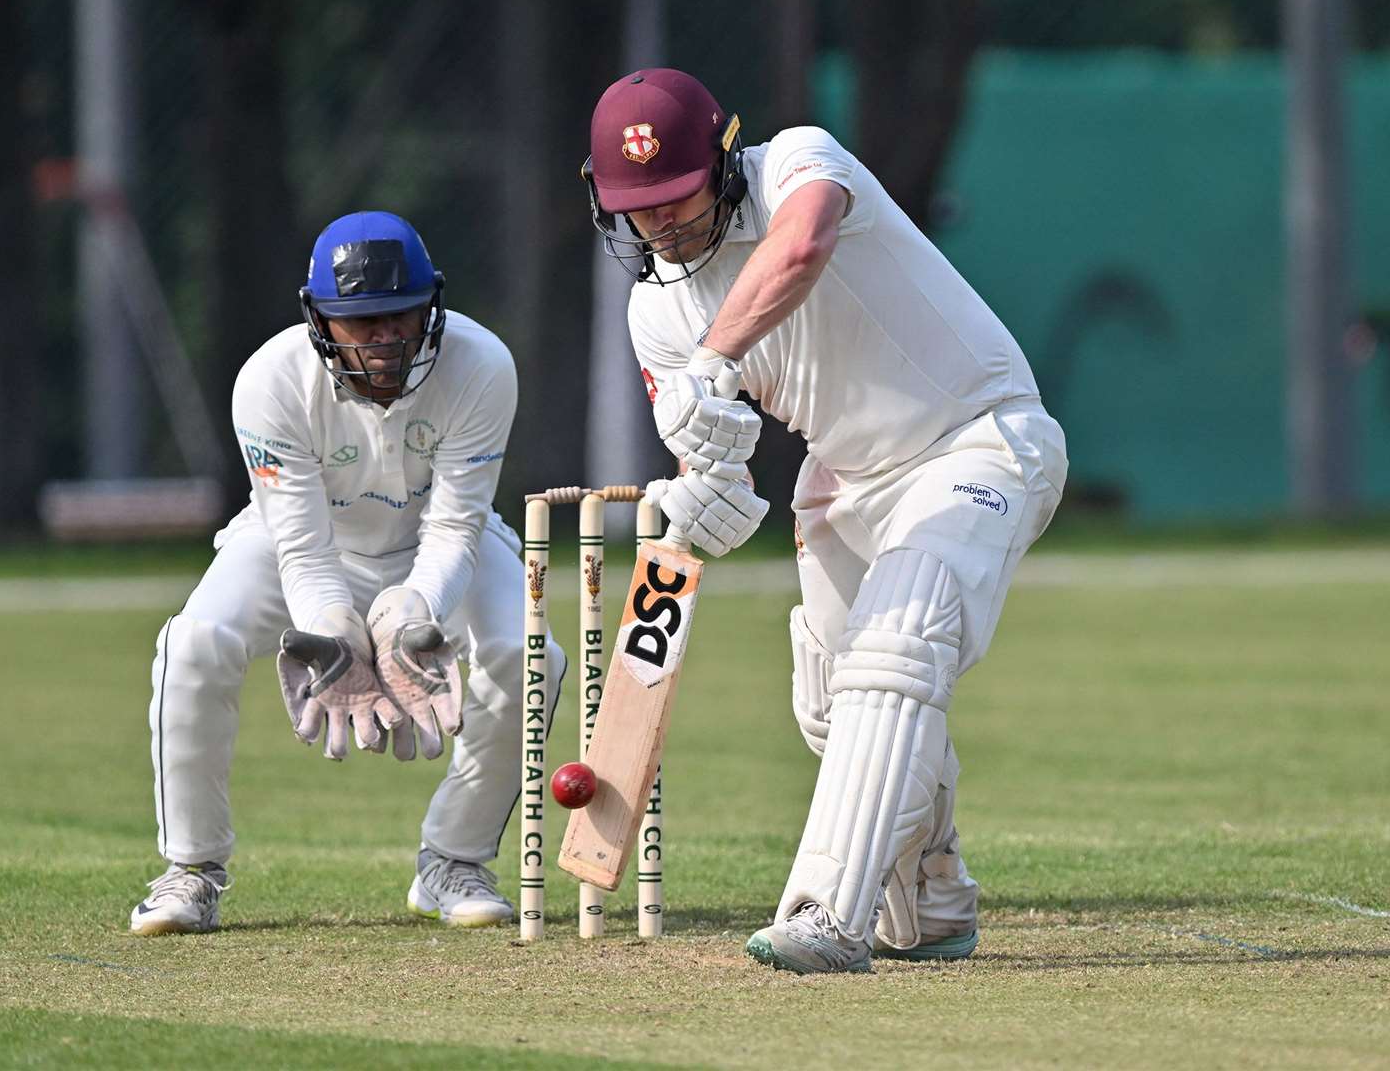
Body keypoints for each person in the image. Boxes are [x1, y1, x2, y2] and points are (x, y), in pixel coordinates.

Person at [583, 69, 1068, 973]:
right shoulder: (654, 311)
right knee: (829, 707)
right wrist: (705, 490)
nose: (661, 225)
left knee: (896, 645)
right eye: (639, 210)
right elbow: (708, 445)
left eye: (678, 199)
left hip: (980, 438)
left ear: (724, 165)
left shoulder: (797, 163)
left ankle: (827, 917)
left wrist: (713, 364)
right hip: (845, 483)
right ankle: (927, 900)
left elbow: (803, 246)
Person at [130, 210, 564, 935]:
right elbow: (299, 546)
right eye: (360, 323)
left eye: (401, 317)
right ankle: (192, 871)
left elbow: (456, 524)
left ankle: (453, 860)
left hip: (436, 541)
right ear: (319, 319)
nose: (385, 340)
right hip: (297, 542)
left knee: (531, 656)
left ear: (432, 306)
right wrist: (332, 625)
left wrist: (410, 611)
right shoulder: (269, 379)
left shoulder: (482, 364)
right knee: (192, 644)